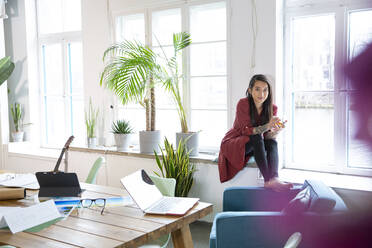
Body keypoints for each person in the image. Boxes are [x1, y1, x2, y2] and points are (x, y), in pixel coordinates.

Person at [218, 74, 292, 191]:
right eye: (257, 89)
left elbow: (267, 137)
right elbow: (245, 130)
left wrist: (276, 130)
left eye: (265, 90)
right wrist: (268, 125)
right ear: (250, 90)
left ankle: (274, 178)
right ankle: (268, 181)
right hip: (235, 142)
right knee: (256, 137)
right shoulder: (243, 104)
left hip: (254, 143)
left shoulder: (272, 108)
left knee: (272, 143)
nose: (261, 94)